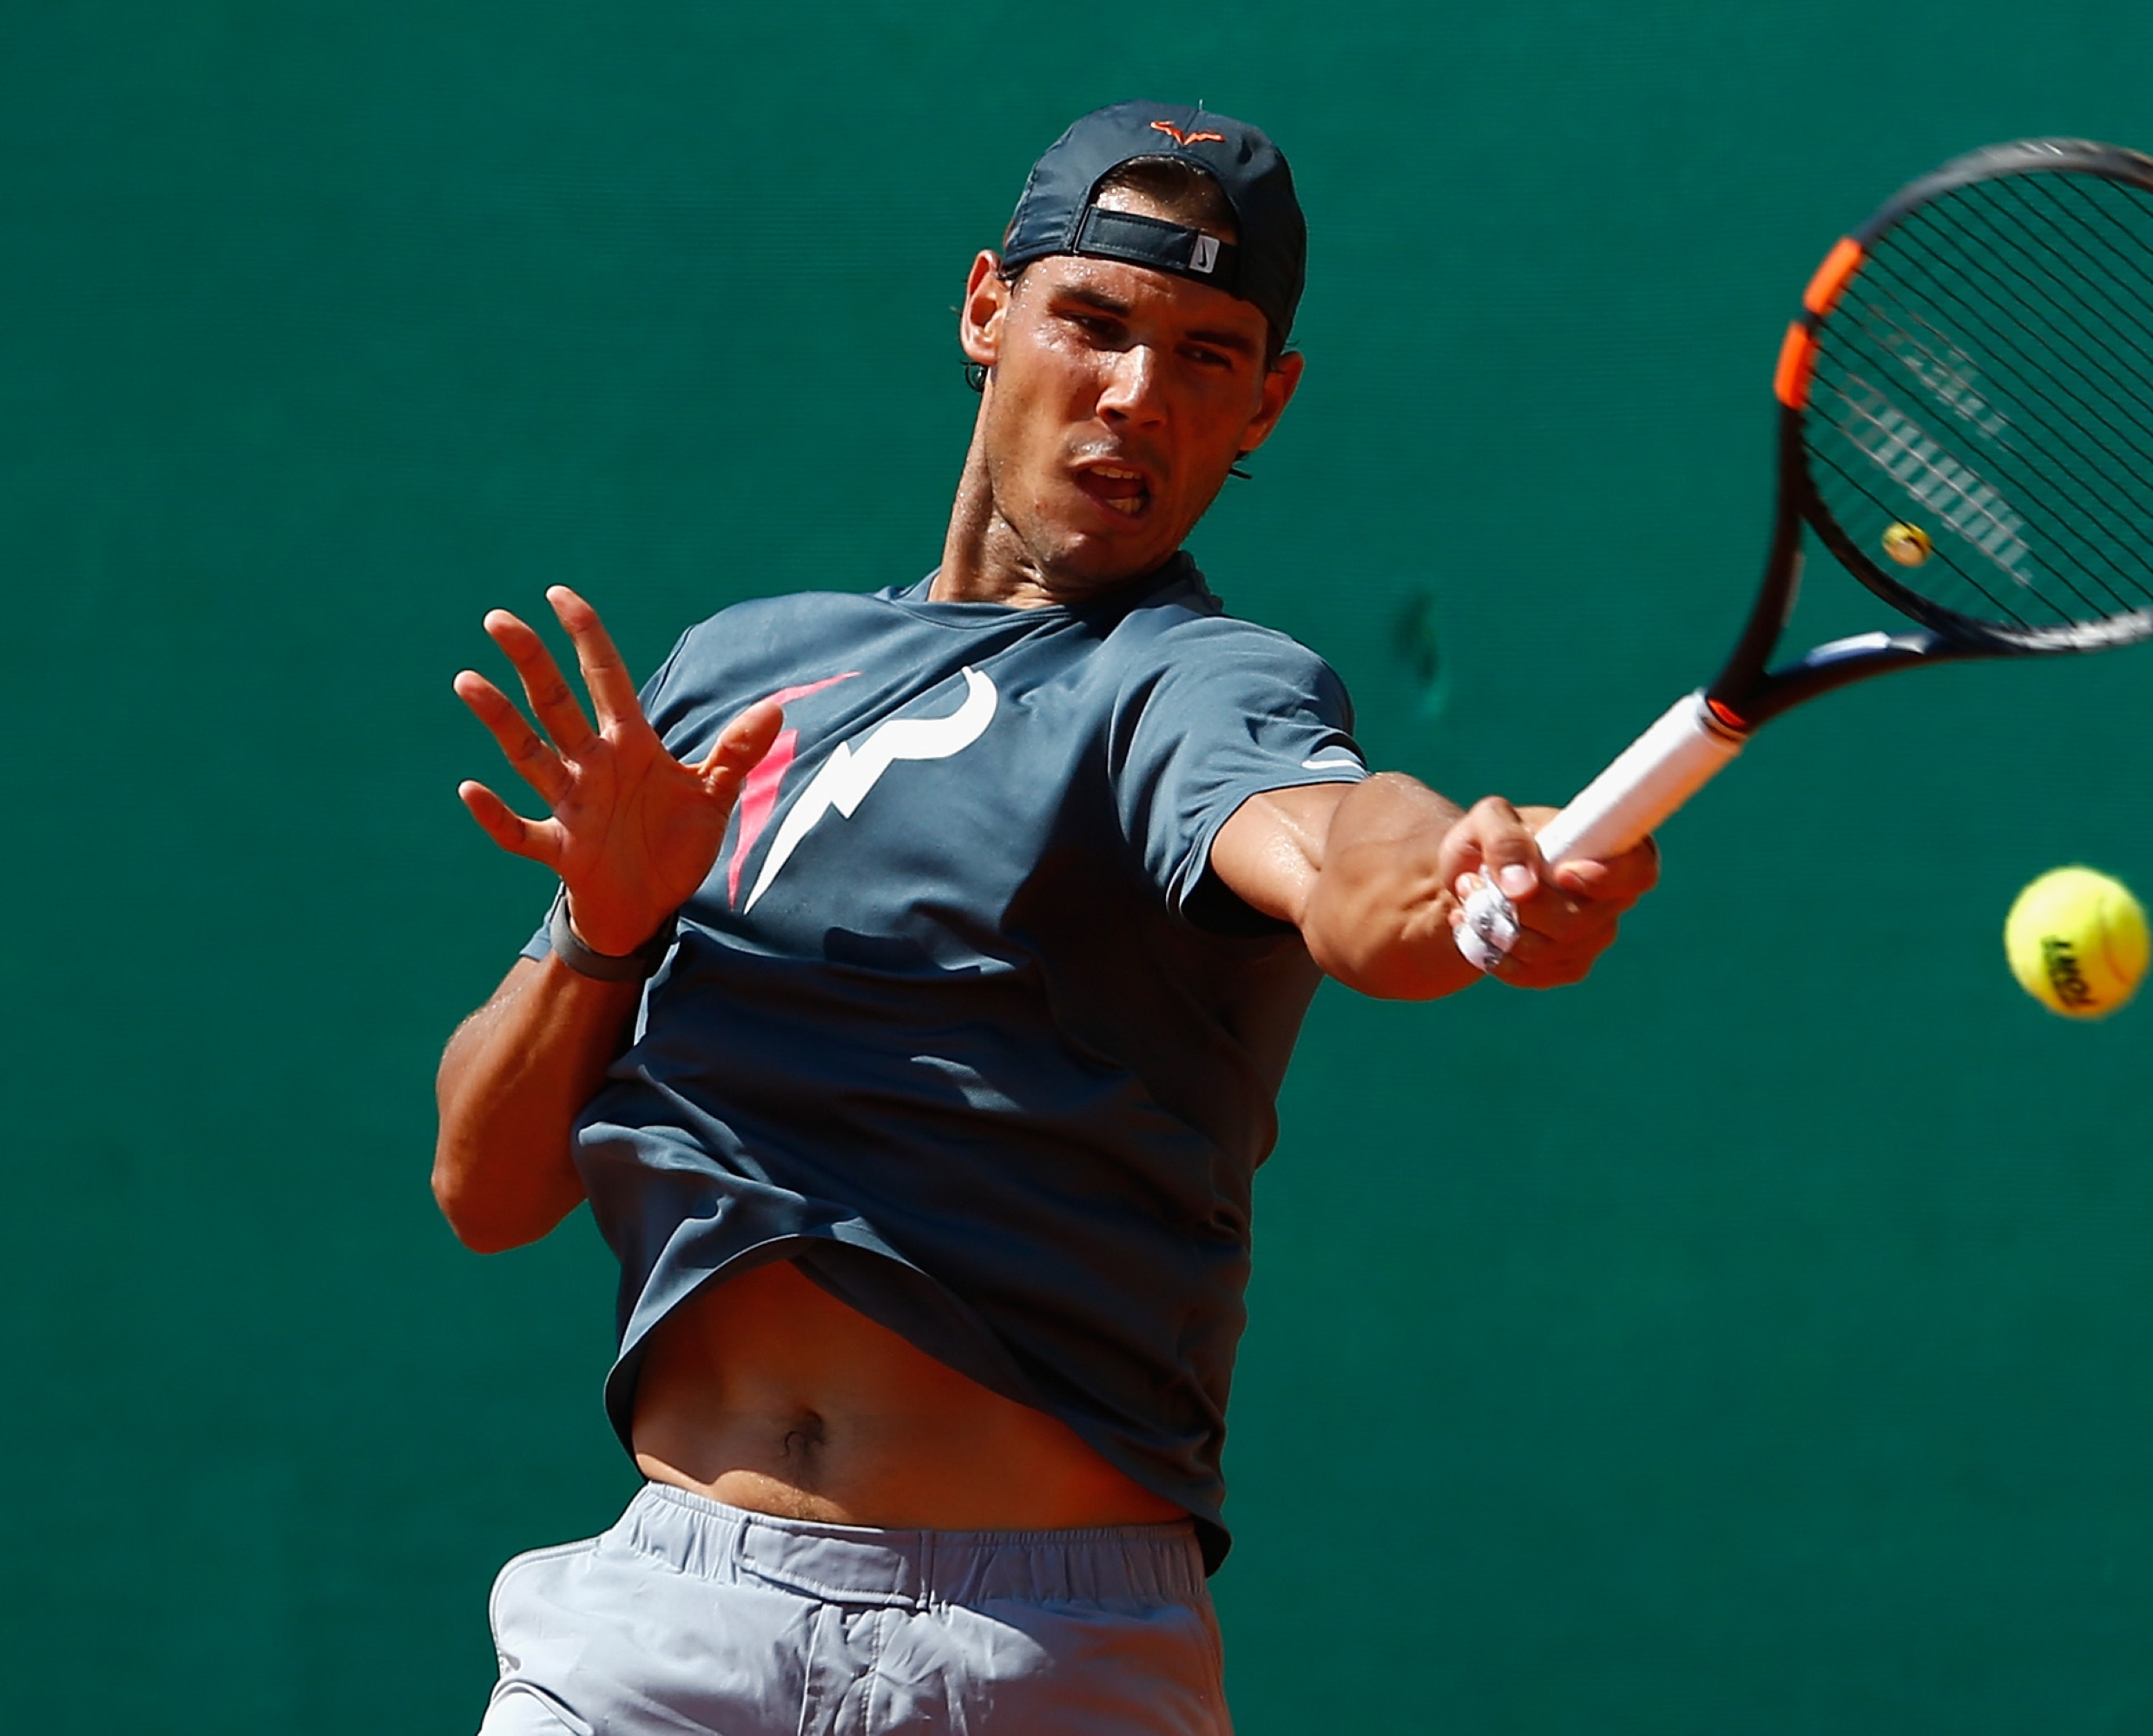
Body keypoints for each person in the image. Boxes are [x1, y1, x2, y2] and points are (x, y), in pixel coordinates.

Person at [435, 101, 1656, 1735]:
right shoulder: (742, 677)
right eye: (1094, 322)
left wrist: (1456, 879)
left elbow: (1340, 859)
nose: (1138, 397)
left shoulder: (1197, 684)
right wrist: (603, 927)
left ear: (1267, 407)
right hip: (660, 1636)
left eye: (1210, 358)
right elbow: (485, 1183)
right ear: (986, 309)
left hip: (1037, 1662)